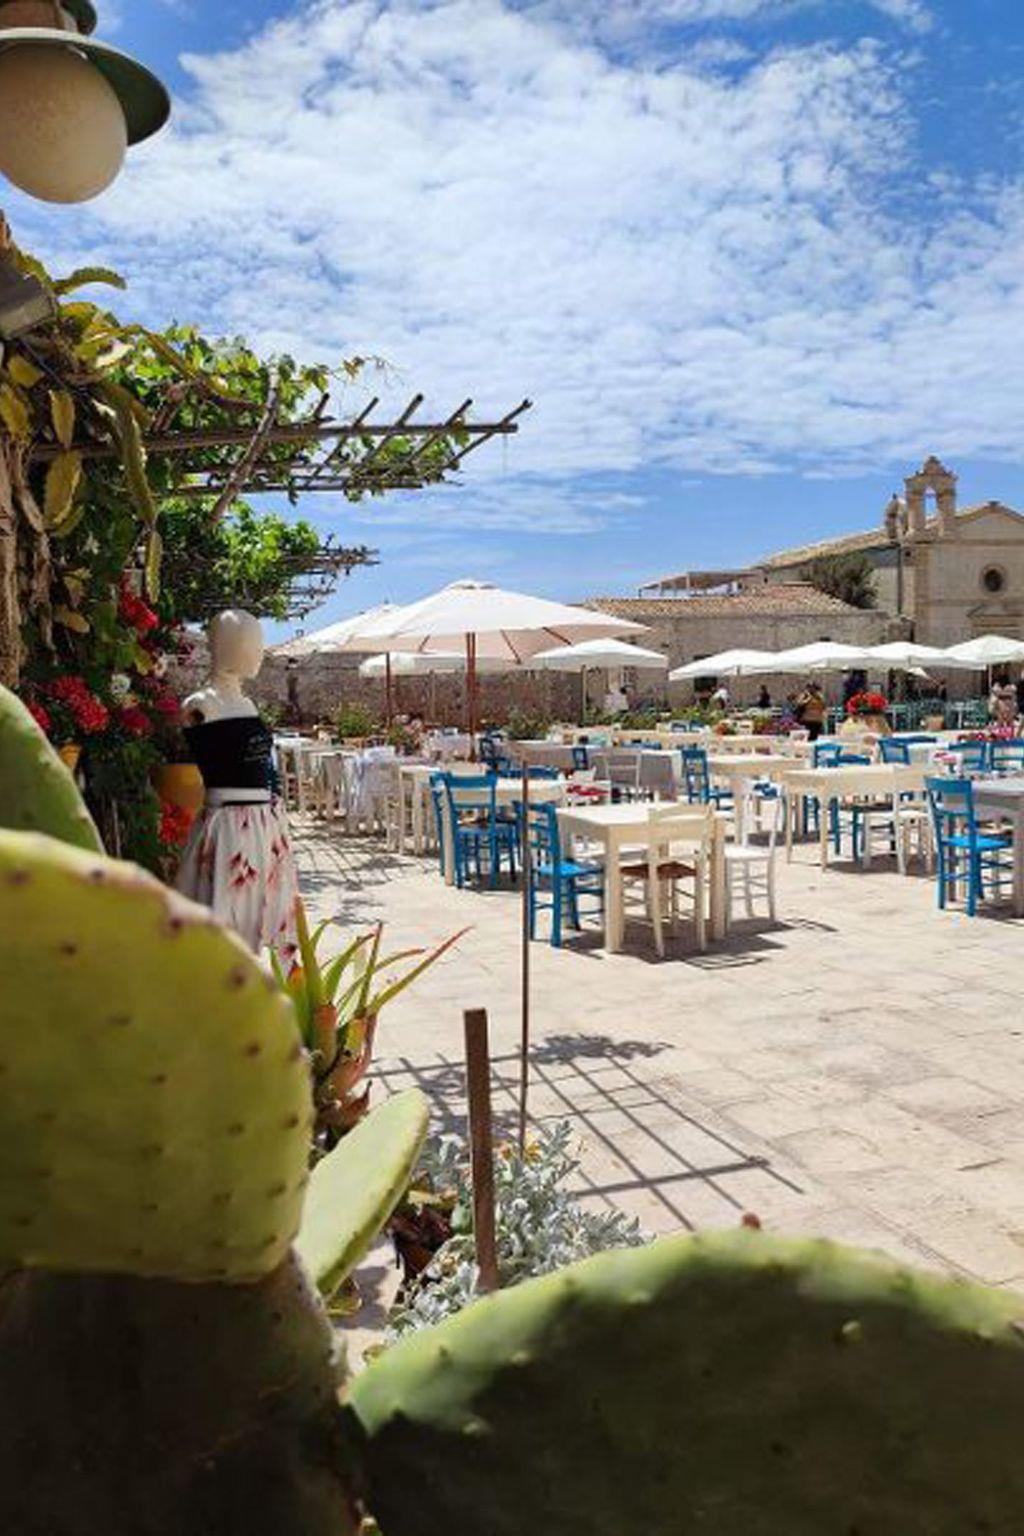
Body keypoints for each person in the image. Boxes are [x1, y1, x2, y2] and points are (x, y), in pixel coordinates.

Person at [177, 610, 298, 960]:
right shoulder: (200, 705)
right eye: (250, 642)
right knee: (229, 924)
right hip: (230, 827)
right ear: (225, 646)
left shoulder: (245, 703)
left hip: (265, 825)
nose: (259, 651)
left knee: (268, 919)